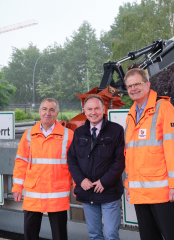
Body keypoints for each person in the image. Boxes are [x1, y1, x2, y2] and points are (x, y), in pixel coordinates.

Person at [123, 68, 174, 240]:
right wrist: (128, 183)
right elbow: (130, 153)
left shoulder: (164, 108)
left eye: (137, 84)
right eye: (129, 86)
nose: (133, 89)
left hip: (162, 192)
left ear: (147, 84)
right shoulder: (131, 114)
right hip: (140, 191)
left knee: (171, 236)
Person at [12, 98, 74, 240]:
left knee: (60, 236)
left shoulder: (68, 135)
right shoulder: (28, 135)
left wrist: (77, 186)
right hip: (34, 194)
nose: (48, 113)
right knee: (30, 234)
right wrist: (17, 187)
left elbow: (74, 164)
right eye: (44, 109)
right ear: (39, 112)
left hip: (56, 195)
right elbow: (21, 162)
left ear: (57, 113)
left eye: (52, 110)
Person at [67, 94, 125, 240]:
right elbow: (72, 159)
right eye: (90, 109)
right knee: (94, 235)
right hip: (87, 192)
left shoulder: (116, 130)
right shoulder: (79, 132)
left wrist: (104, 182)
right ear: (84, 111)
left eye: (97, 108)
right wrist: (80, 180)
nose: (93, 112)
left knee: (111, 233)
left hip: (108, 191)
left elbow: (120, 160)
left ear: (104, 109)